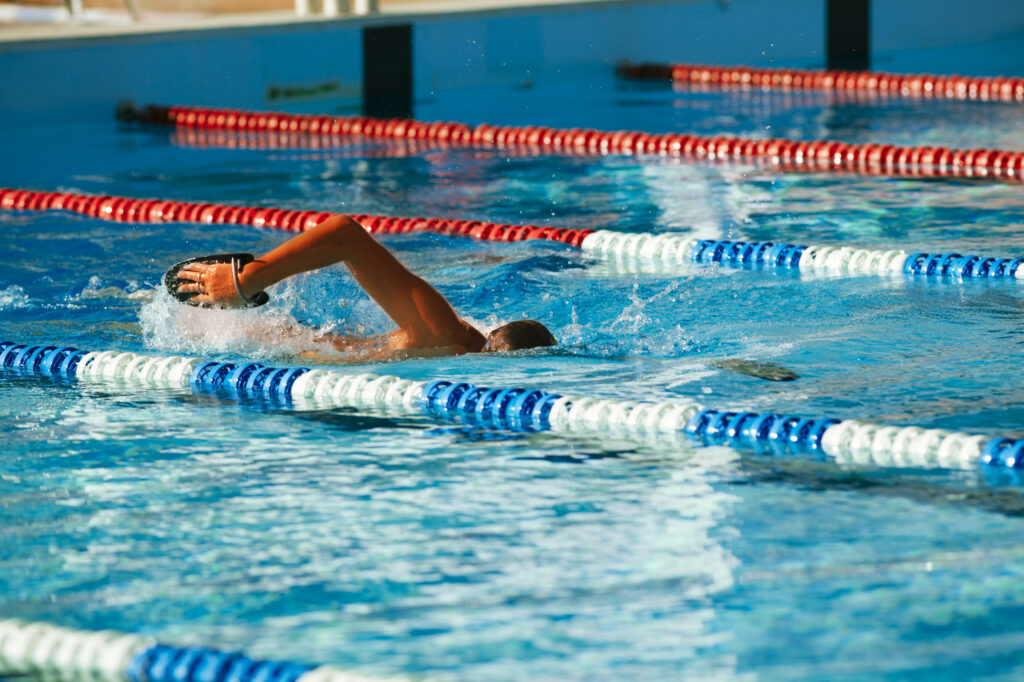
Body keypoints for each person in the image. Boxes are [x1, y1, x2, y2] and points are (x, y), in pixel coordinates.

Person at [173, 214, 558, 360]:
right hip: (261, 343)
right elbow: (346, 235)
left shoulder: (456, 349)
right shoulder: (446, 332)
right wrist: (246, 282)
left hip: (287, 348)